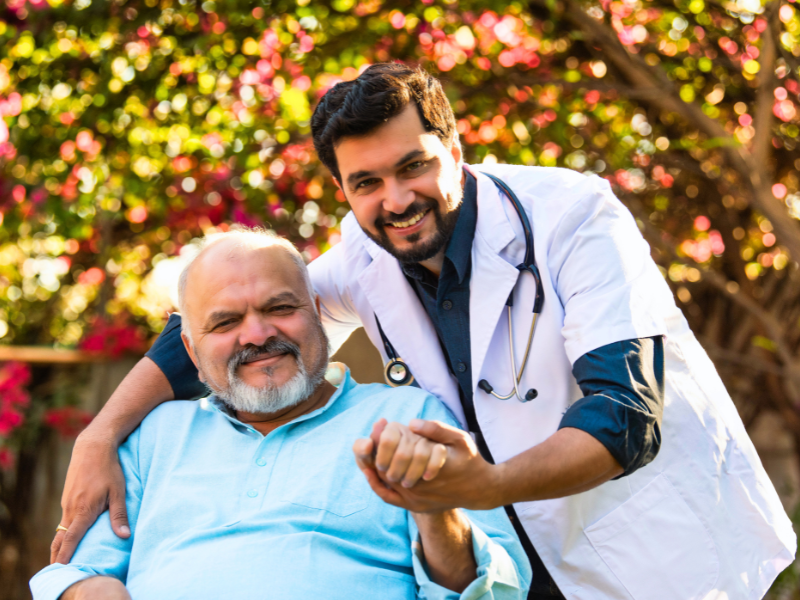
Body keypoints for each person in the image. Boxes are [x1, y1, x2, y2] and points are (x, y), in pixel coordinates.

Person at [53, 63, 795, 599]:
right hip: (516, 565)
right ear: (342, 189)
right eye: (366, 183)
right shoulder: (359, 259)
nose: (396, 200)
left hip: (650, 546)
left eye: (413, 166)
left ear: (454, 148)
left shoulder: (574, 218)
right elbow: (227, 324)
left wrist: (486, 485)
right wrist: (100, 435)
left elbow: (625, 419)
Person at [32, 229, 531, 600]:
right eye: (226, 321)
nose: (255, 335)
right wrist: (90, 590)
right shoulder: (154, 438)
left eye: (280, 307)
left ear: (317, 310)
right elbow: (74, 572)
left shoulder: (409, 416)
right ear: (189, 346)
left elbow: (497, 590)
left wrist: (434, 507)